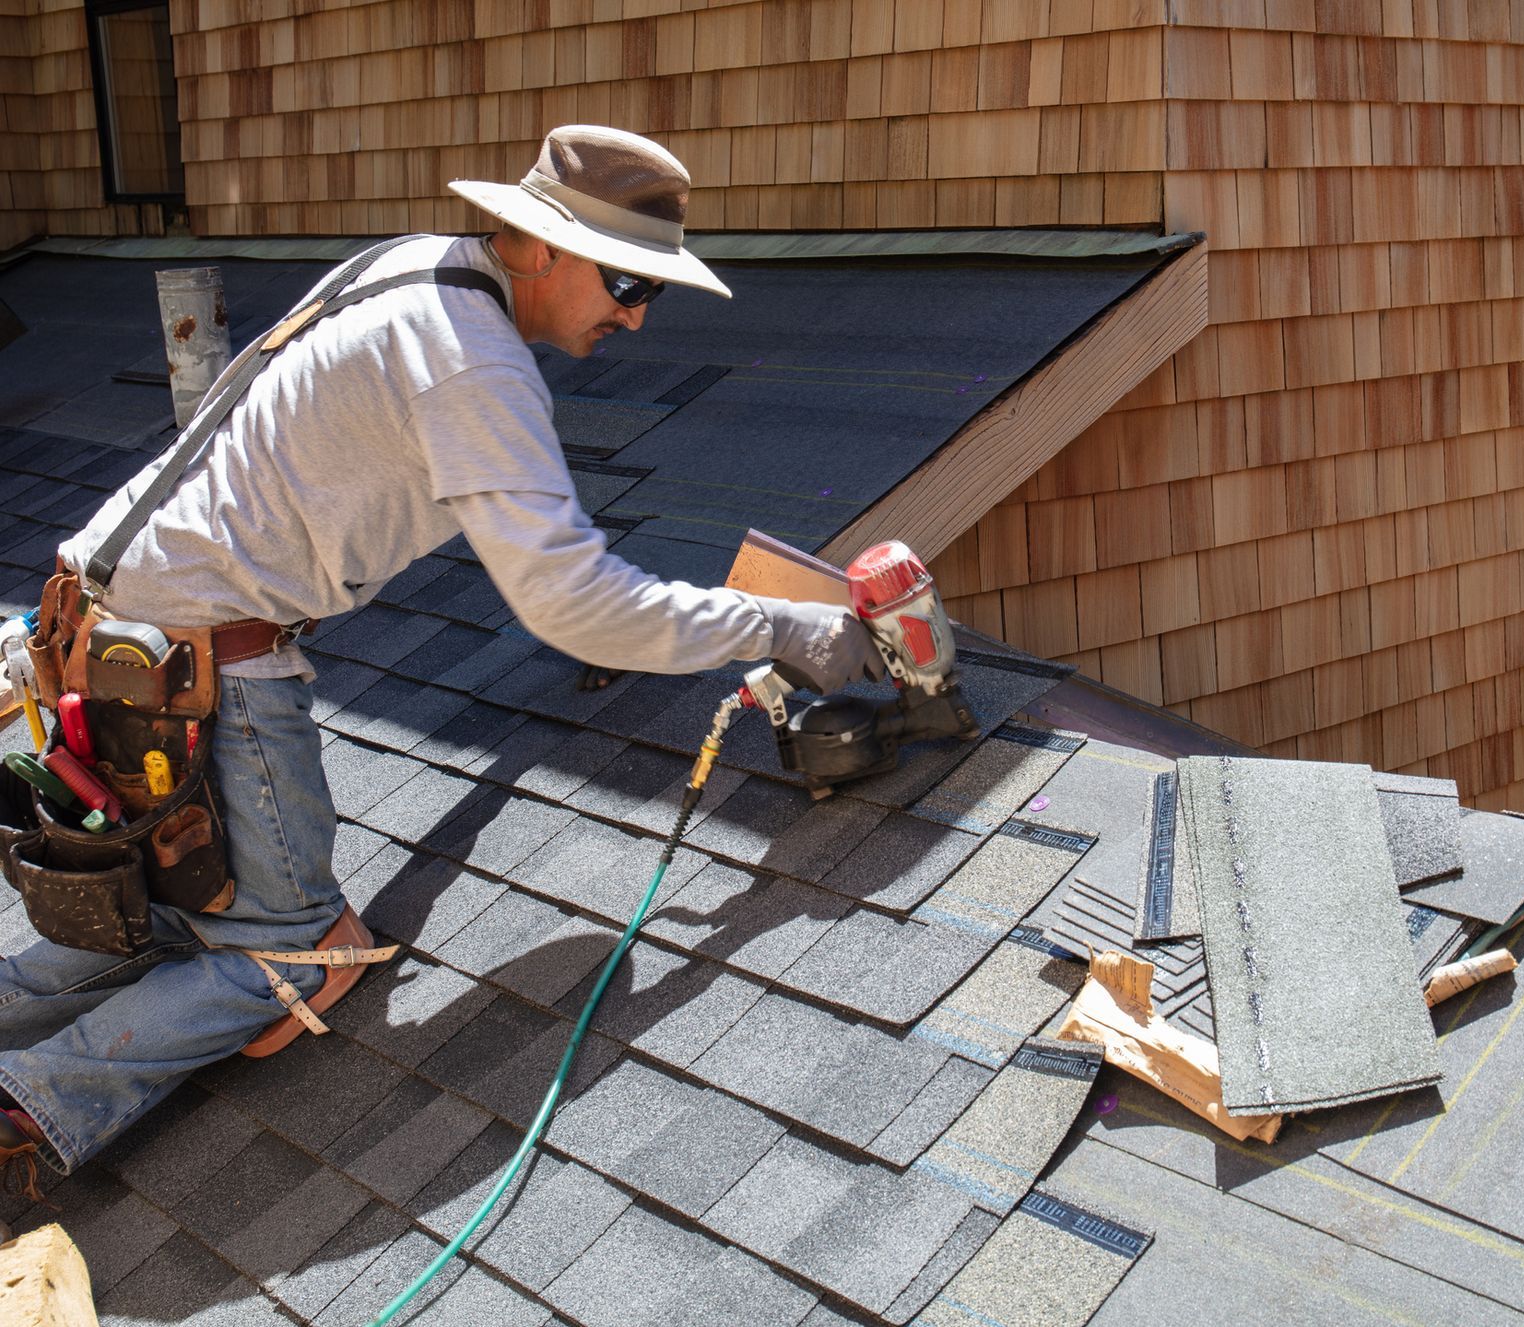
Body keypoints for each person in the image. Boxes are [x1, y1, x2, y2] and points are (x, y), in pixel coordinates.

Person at [0, 126, 882, 1191]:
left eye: (655, 291)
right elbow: (575, 602)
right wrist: (781, 628)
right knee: (296, 949)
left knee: (165, 915)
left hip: (104, 622)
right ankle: (31, 1106)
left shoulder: (414, 264)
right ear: (536, 246)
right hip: (199, 657)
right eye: (624, 280)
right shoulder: (471, 360)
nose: (637, 314)